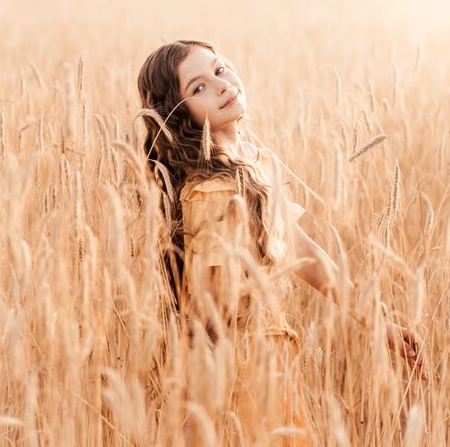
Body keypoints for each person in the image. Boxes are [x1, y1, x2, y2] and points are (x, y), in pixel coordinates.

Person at [137, 39, 427, 446]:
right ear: (178, 115)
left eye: (220, 70)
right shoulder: (212, 192)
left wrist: (378, 322)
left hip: (271, 360)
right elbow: (209, 315)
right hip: (238, 373)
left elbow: (304, 252)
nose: (221, 86)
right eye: (197, 88)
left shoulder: (250, 166)